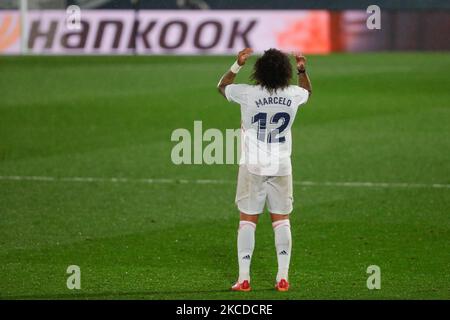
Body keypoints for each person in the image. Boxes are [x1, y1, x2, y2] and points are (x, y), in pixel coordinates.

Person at [217, 48, 312, 292]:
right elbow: (307, 91)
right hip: (281, 165)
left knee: (248, 221)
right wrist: (302, 69)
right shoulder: (293, 94)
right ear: (286, 71)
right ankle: (282, 277)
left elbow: (222, 86)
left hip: (253, 165)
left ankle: (244, 278)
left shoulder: (247, 93)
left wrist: (237, 65)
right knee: (281, 221)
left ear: (259, 71)